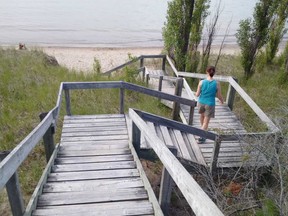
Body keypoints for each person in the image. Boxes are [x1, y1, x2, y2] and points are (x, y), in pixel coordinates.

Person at [195, 66, 224, 143]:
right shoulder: (217, 83)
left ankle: (203, 135)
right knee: (206, 122)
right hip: (210, 104)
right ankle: (201, 135)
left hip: (201, 102)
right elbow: (219, 95)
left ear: (206, 72)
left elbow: (197, 94)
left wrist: (199, 91)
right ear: (214, 73)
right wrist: (222, 101)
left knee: (202, 117)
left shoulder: (201, 82)